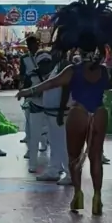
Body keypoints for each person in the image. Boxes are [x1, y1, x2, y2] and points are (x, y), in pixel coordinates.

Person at [17, 0, 112, 215]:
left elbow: (50, 84)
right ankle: (97, 198)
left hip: (78, 113)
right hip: (99, 114)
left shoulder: (72, 70)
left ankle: (78, 195)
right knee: (95, 157)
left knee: (74, 157)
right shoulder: (104, 71)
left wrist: (27, 91)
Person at [37, 47, 71, 184]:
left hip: (59, 112)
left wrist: (62, 110)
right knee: (55, 143)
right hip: (52, 112)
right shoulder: (56, 67)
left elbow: (66, 89)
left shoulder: (65, 66)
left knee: (62, 143)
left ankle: (70, 173)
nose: (53, 54)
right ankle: (54, 170)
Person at [25, 50, 54, 173]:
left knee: (54, 138)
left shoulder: (55, 74)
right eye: (43, 63)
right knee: (34, 137)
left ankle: (56, 165)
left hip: (51, 109)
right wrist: (35, 93)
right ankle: (32, 164)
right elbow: (25, 90)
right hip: (36, 108)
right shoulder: (31, 75)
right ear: (38, 64)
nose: (46, 65)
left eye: (48, 62)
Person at [19, 35, 40, 145]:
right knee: (28, 113)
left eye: (33, 44)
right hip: (29, 87)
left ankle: (44, 138)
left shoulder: (43, 56)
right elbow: (22, 74)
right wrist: (21, 86)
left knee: (42, 113)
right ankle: (28, 135)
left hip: (42, 86)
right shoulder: (24, 58)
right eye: (29, 44)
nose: (31, 46)